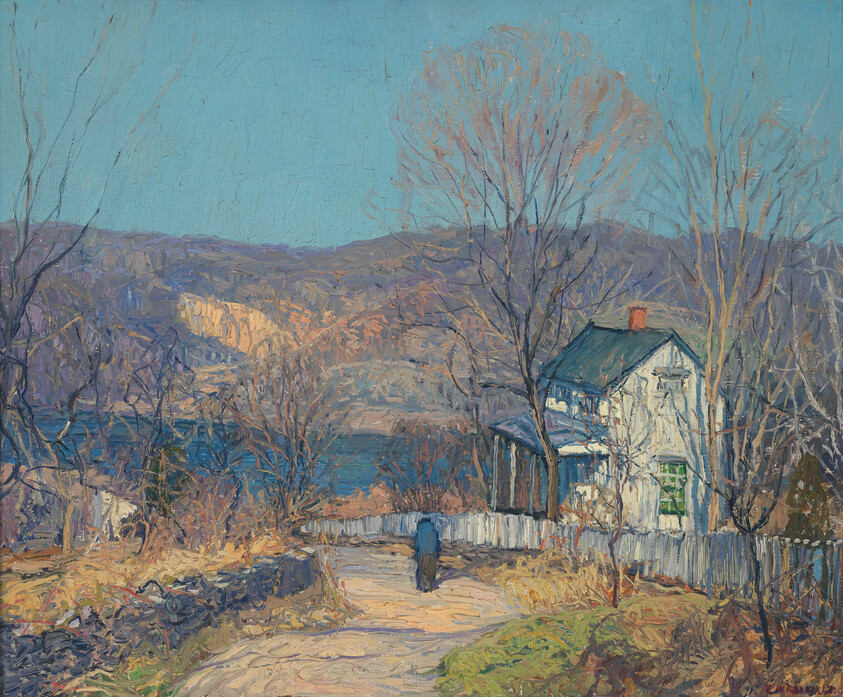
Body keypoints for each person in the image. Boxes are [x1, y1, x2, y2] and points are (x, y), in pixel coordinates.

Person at [414, 517, 440, 592]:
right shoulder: (434, 531)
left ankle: (420, 586)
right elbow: (437, 544)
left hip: (422, 554)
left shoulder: (419, 532)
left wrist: (416, 553)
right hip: (432, 554)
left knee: (421, 569)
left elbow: (417, 544)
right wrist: (437, 553)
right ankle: (431, 586)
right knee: (432, 570)